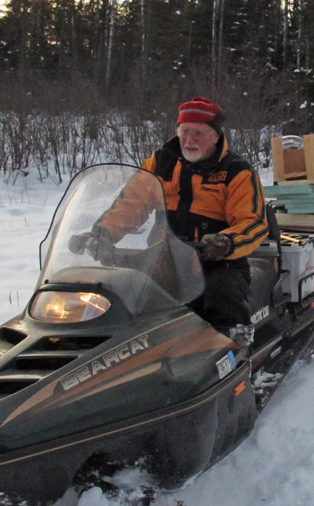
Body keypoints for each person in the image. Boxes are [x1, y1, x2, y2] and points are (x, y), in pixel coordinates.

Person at [72, 97, 269, 350]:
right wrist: (102, 234)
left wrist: (225, 243)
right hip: (165, 256)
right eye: (184, 131)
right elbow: (131, 203)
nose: (189, 140)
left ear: (216, 136)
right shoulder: (160, 163)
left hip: (218, 261)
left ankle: (234, 353)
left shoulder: (236, 171)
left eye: (198, 132)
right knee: (125, 293)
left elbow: (251, 222)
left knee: (221, 296)